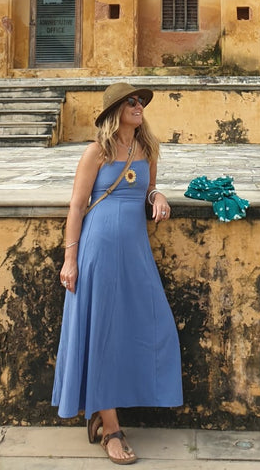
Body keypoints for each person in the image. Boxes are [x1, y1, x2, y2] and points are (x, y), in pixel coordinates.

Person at [52, 82, 182, 466]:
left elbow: (148, 190)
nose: (138, 105)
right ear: (115, 112)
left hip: (135, 251)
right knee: (102, 333)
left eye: (140, 101)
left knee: (152, 326)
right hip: (98, 249)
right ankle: (110, 427)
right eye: (131, 101)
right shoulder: (97, 152)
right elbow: (76, 208)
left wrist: (157, 196)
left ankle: (100, 413)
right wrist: (70, 260)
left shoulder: (147, 149)